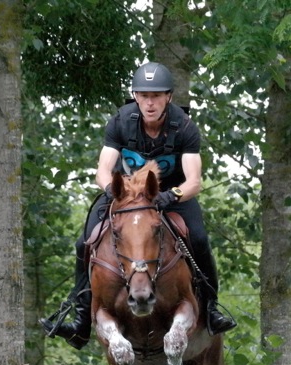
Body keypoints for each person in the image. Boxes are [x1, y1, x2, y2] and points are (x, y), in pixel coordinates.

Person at [40, 62, 236, 349]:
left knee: (200, 238)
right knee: (84, 242)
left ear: (168, 96)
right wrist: (112, 190)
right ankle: (81, 320)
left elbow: (194, 181)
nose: (149, 102)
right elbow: (102, 170)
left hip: (171, 196)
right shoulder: (121, 121)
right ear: (135, 95)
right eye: (143, 95)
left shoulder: (183, 126)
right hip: (127, 197)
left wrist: (172, 196)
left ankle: (211, 309)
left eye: (156, 95)